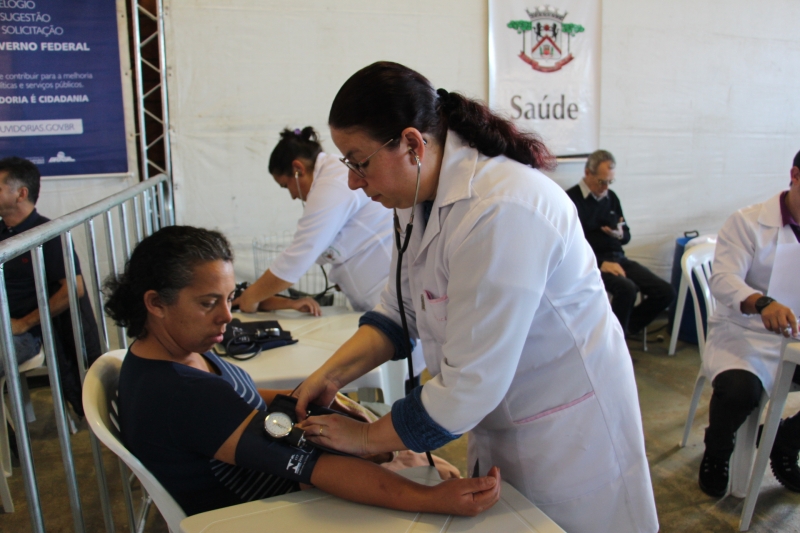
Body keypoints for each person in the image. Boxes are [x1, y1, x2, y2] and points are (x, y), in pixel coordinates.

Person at [291, 61, 658, 533]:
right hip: (499, 416)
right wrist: (329, 375)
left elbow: (470, 387)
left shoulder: (504, 208)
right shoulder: (416, 196)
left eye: (359, 163)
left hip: (567, 430)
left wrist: (364, 438)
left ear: (412, 144)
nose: (353, 183)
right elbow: (398, 312)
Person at [105, 225, 501, 517]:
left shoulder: (167, 357)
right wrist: (428, 500)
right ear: (156, 302)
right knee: (425, 478)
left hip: (276, 477)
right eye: (208, 303)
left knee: (409, 460)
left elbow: (240, 405)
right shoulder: (182, 394)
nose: (227, 316)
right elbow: (313, 466)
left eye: (228, 298)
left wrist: (308, 408)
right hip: (261, 513)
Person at [697, 149, 800, 497]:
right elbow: (723, 279)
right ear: (795, 175)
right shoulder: (747, 222)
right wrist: (762, 303)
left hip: (796, 334)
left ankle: (786, 441)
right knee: (740, 392)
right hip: (745, 333)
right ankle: (717, 449)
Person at [235, 126, 394, 314]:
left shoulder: (333, 183)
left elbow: (298, 257)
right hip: (375, 301)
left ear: (297, 169)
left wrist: (251, 296)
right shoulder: (331, 177)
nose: (293, 196)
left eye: (286, 186)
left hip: (388, 298)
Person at [0, 156, 100, 416]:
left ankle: (8, 444)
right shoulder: (2, 232)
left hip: (24, 334)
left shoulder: (47, 233)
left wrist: (24, 323)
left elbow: (74, 289)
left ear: (21, 193)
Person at [566, 150, 675, 335]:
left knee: (666, 292)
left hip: (618, 258)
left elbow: (627, 236)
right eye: (602, 181)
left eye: (610, 182)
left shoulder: (611, 198)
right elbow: (570, 247)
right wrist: (601, 264)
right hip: (592, 263)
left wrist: (619, 235)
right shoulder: (571, 200)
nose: (606, 187)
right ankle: (615, 341)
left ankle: (622, 331)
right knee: (627, 290)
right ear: (587, 173)